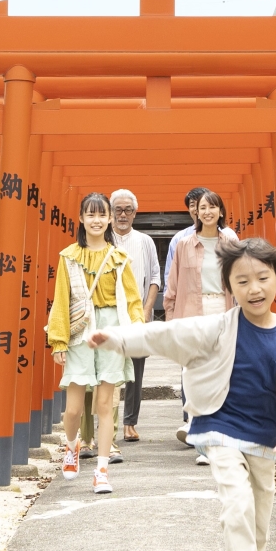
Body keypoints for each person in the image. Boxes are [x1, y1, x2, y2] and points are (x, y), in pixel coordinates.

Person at [88, 239, 276, 551]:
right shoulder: (219, 327)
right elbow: (170, 335)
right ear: (229, 287)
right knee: (237, 502)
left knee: (259, 525)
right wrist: (121, 340)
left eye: (262, 278)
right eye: (242, 281)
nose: (254, 288)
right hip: (220, 428)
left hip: (263, 437)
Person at [45, 192, 142, 495]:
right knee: (73, 408)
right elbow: (61, 300)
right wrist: (58, 341)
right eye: (91, 214)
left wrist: (136, 331)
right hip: (80, 329)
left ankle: (101, 470)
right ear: (81, 218)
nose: (97, 220)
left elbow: (133, 299)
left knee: (104, 404)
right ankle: (72, 447)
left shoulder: (119, 258)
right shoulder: (69, 256)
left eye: (102, 215)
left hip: (112, 329)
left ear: (110, 219)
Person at [159, 188, 242, 464]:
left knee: (222, 374)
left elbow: (241, 278)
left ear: (221, 211)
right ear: (195, 212)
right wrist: (170, 319)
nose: (206, 212)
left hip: (223, 309)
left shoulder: (230, 241)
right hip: (192, 313)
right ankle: (202, 441)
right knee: (194, 375)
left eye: (212, 207)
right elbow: (172, 287)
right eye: (202, 207)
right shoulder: (184, 243)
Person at [108, 188, 165, 441]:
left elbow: (155, 277)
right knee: (107, 369)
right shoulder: (103, 239)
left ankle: (130, 422)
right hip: (108, 314)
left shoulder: (145, 241)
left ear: (135, 213)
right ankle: (106, 423)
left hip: (138, 315)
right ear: (111, 212)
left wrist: (145, 309)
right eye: (118, 209)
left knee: (135, 369)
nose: (122, 214)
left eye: (127, 210)